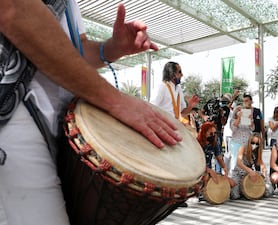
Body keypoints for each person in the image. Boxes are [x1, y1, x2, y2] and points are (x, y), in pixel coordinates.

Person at [0, 1, 181, 224]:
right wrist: (117, 102)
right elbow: (13, 9)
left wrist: (111, 48)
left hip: (60, 125)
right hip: (12, 109)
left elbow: (73, 50)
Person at [230, 133, 273, 199]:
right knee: (235, 195)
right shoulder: (243, 147)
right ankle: (243, 190)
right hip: (239, 172)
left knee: (268, 192)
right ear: (249, 141)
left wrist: (265, 172)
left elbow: (261, 163)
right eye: (253, 142)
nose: (254, 145)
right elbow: (239, 162)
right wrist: (250, 171)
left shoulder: (257, 151)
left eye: (257, 144)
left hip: (249, 173)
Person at [227, 104, 255, 176]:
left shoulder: (246, 120)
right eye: (238, 110)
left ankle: (246, 173)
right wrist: (239, 118)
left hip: (246, 142)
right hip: (236, 143)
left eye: (241, 110)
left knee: (246, 160)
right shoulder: (232, 120)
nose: (240, 111)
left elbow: (252, 128)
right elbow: (233, 128)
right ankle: (234, 175)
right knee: (235, 161)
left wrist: (250, 119)